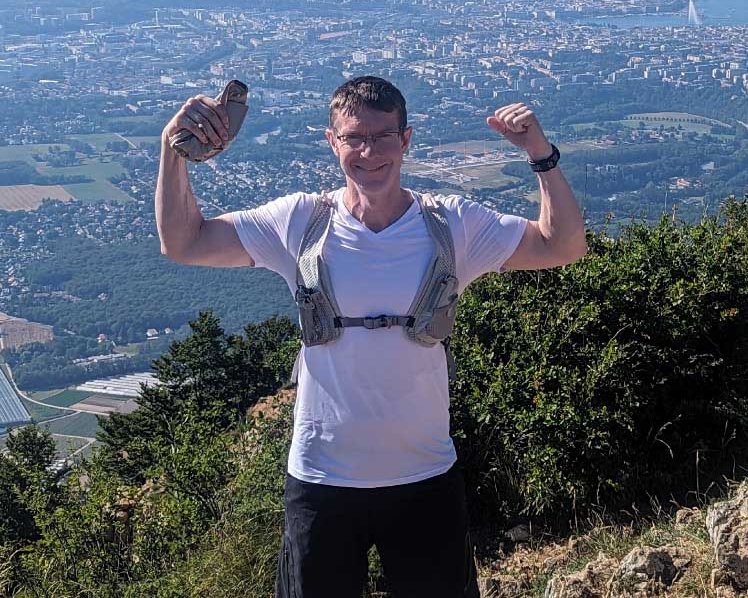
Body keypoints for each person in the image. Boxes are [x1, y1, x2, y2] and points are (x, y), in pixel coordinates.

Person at [155, 76, 586, 598]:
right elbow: (183, 242)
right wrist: (172, 149)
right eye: (354, 138)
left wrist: (540, 153)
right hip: (322, 481)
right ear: (331, 141)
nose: (369, 152)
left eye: (382, 137)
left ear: (405, 140)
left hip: (424, 477)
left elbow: (563, 245)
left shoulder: (452, 224)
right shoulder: (301, 221)